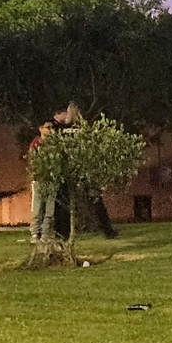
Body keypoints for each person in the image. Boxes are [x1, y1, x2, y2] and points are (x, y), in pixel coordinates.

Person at [50, 102, 119, 240]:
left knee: (63, 201)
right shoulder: (83, 129)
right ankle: (108, 230)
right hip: (84, 168)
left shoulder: (62, 129)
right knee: (95, 200)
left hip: (67, 169)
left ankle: (62, 233)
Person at [28, 121, 56, 243]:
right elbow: (32, 162)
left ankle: (45, 234)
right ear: (40, 128)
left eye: (52, 128)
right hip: (39, 179)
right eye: (48, 127)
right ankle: (35, 234)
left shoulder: (54, 144)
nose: (51, 130)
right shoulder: (35, 144)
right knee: (37, 208)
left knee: (50, 209)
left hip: (52, 179)